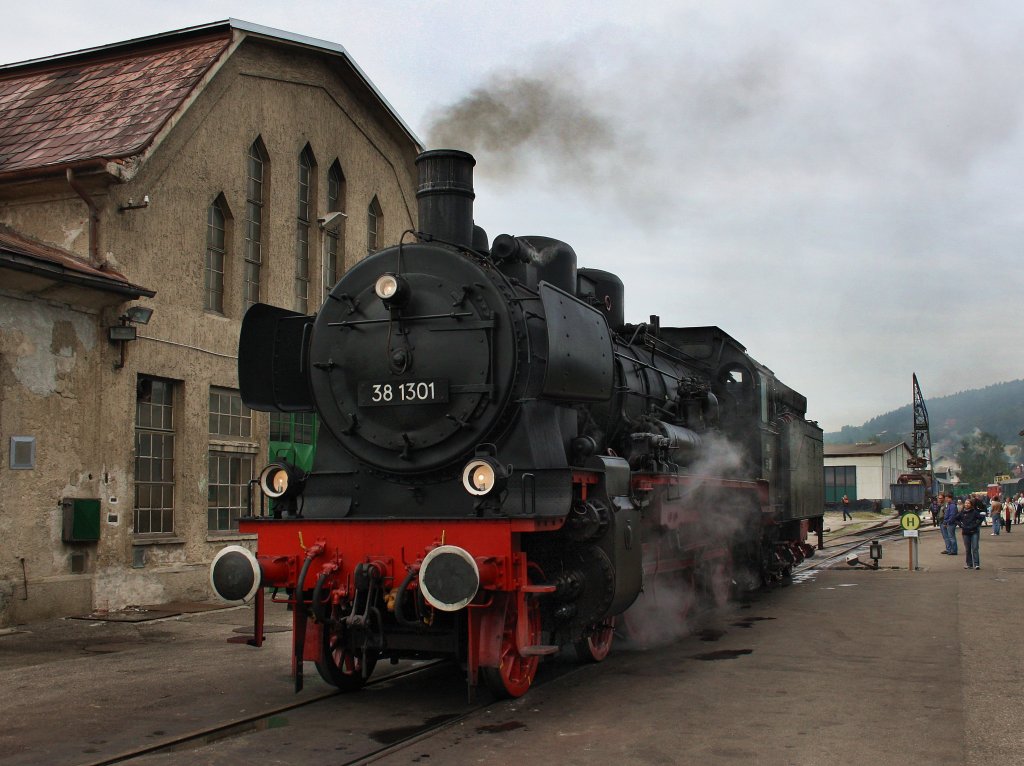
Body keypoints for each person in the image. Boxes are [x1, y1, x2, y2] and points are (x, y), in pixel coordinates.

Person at [960, 498, 984, 569]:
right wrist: (960, 525)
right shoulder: (962, 512)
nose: (967, 504)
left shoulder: (974, 512)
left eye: (968, 503)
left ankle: (976, 564)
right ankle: (969, 564)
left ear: (971, 505)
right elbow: (956, 518)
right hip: (965, 532)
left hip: (974, 532)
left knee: (975, 548)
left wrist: (976, 524)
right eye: (966, 503)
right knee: (968, 549)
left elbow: (981, 518)